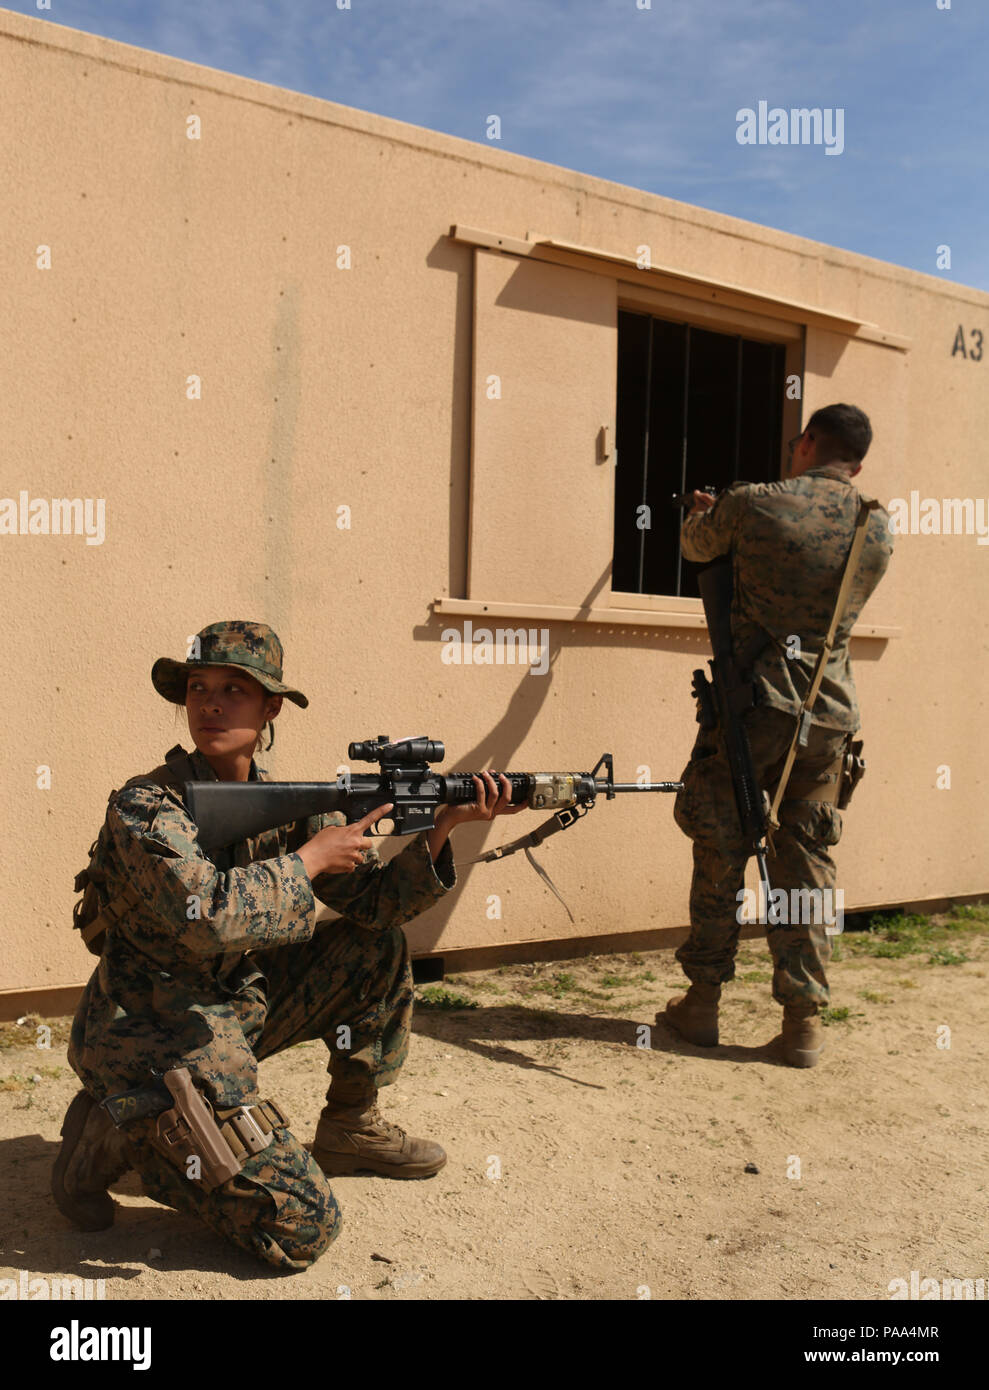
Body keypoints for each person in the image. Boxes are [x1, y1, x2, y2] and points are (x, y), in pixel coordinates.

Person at [53, 621, 526, 1270]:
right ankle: (115, 1134)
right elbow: (206, 916)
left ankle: (349, 1127)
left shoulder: (295, 805)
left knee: (375, 948)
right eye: (199, 688)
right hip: (146, 1030)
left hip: (230, 1011)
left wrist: (445, 826)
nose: (211, 703)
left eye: (234, 690)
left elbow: (378, 906)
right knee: (302, 1228)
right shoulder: (146, 806)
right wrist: (306, 862)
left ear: (271, 707)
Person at [662, 404, 893, 1067]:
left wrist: (708, 514)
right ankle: (802, 1025)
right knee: (806, 863)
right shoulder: (874, 526)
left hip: (753, 709)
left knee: (720, 843)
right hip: (827, 717)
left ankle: (701, 1005)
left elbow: (695, 545)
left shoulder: (755, 502)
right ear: (857, 461)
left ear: (806, 443)